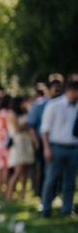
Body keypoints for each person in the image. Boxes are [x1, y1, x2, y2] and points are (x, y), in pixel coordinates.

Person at [39, 79, 78, 217]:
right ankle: (45, 208)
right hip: (56, 146)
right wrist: (46, 148)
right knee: (51, 179)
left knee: (70, 181)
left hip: (73, 148)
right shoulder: (54, 105)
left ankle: (67, 209)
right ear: (70, 91)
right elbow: (45, 129)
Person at [6, 96, 36, 201]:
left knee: (25, 171)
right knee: (17, 171)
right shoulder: (11, 114)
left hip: (26, 142)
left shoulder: (24, 113)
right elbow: (17, 129)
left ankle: (22, 194)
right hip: (18, 143)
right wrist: (26, 124)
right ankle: (9, 195)